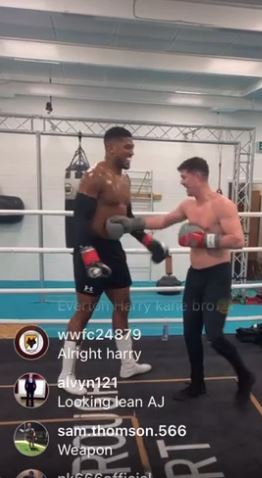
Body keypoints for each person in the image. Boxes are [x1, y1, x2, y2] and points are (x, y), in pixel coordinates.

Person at [106, 156, 255, 405]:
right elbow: (163, 221)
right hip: (195, 278)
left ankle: (244, 374)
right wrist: (134, 223)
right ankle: (197, 384)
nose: (182, 182)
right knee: (190, 334)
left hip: (219, 279)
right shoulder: (188, 204)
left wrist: (205, 240)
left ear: (197, 176)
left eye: (184, 177)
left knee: (215, 335)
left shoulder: (223, 205)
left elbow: (238, 240)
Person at [58, 126, 168, 395]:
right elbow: (80, 220)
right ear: (111, 147)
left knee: (123, 305)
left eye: (132, 147)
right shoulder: (93, 177)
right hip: (89, 250)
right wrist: (90, 258)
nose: (132, 151)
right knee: (84, 312)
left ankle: (127, 364)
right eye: (127, 147)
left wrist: (150, 243)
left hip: (113, 250)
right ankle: (66, 375)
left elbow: (128, 220)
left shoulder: (125, 180)